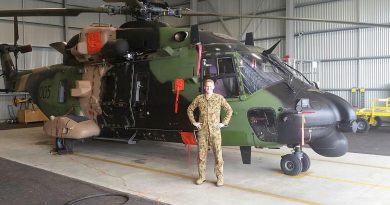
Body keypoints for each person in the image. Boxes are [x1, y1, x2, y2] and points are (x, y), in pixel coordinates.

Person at [187, 78, 233, 187]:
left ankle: (220, 177)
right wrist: (194, 122)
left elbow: (229, 110)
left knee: (218, 155)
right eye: (206, 86)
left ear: (213, 87)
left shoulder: (219, 98)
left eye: (210, 86)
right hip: (202, 131)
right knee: (201, 155)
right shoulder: (199, 98)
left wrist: (224, 123)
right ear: (204, 87)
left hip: (215, 132)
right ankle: (202, 176)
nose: (208, 88)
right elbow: (190, 109)